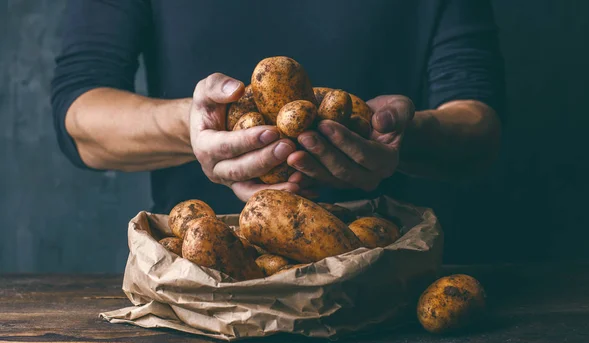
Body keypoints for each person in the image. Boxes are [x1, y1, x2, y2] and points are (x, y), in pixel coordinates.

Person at [51, 0, 504, 256]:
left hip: (388, 284)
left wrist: (398, 138)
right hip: (204, 293)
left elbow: (479, 126)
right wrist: (194, 126)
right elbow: (81, 115)